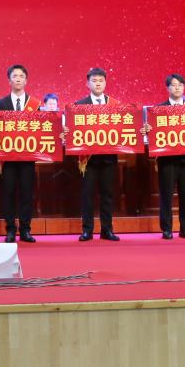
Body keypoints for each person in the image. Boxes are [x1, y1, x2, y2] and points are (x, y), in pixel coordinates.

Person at [74, 67, 119, 242]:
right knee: (87, 195)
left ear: (105, 83)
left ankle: (107, 230)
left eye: (101, 81)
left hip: (108, 158)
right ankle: (87, 230)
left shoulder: (115, 105)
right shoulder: (79, 105)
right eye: (94, 81)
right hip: (88, 159)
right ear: (88, 84)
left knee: (107, 194)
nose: (98, 84)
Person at [0, 65, 37, 243]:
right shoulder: (1, 103)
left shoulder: (35, 104)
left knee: (27, 194)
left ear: (26, 80)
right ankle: (10, 229)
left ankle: (26, 230)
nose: (18, 79)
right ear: (9, 80)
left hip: (28, 158)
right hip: (8, 159)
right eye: (15, 76)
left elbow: (41, 130)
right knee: (9, 193)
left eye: (21, 76)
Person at [152, 73, 185, 240]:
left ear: (184, 88)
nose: (177, 88)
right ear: (168, 88)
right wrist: (148, 129)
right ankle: (166, 229)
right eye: (173, 85)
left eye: (180, 85)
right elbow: (154, 133)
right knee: (166, 196)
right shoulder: (158, 110)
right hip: (167, 160)